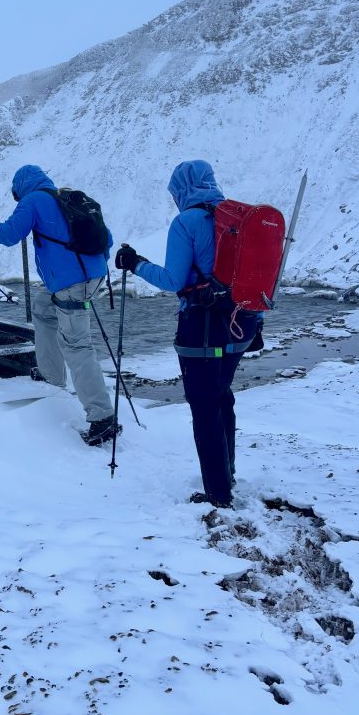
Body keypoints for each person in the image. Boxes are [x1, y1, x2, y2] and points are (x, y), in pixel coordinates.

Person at [115, 159, 261, 509]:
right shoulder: (237, 217)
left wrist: (135, 263)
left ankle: (218, 495)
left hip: (203, 327)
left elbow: (173, 281)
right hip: (244, 322)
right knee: (222, 396)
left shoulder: (187, 222)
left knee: (204, 407)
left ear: (182, 189)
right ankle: (226, 475)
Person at [0, 164, 117, 446]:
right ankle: (51, 375)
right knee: (43, 308)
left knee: (77, 345)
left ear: (21, 187)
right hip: (90, 276)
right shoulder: (65, 198)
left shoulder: (33, 200)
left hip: (72, 284)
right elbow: (108, 239)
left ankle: (102, 417)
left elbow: (9, 235)